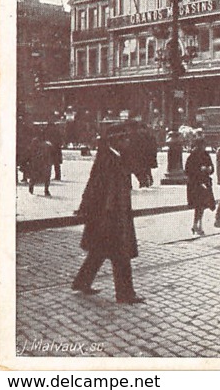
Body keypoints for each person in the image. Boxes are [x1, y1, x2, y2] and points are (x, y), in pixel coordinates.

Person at [71, 125, 143, 304]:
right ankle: (125, 294)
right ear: (115, 141)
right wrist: (84, 208)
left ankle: (82, 282)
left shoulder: (117, 157)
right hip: (110, 216)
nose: (128, 142)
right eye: (124, 139)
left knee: (99, 252)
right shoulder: (107, 159)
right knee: (121, 255)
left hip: (113, 214)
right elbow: (94, 185)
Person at [185, 133, 215, 236]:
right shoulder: (193, 156)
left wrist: (209, 169)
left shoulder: (205, 155)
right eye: (200, 146)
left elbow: (211, 167)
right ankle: (197, 225)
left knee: (202, 206)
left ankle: (197, 225)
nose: (202, 148)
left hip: (204, 182)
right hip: (196, 184)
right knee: (200, 206)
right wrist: (200, 170)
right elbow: (188, 171)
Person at [26, 131, 54, 197]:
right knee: (46, 176)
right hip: (44, 162)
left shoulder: (35, 141)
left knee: (34, 175)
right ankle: (46, 190)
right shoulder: (48, 144)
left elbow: (30, 151)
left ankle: (31, 187)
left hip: (38, 161)